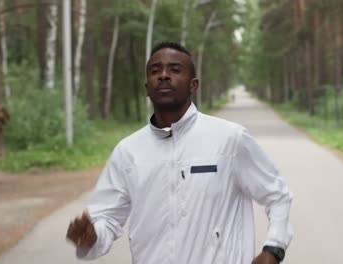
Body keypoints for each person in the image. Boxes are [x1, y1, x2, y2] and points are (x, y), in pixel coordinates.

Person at [66, 41, 293, 264]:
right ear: (147, 89)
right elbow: (106, 218)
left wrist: (273, 249)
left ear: (193, 85)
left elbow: (277, 195)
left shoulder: (230, 140)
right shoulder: (128, 152)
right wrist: (91, 237)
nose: (163, 75)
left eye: (174, 69)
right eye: (155, 71)